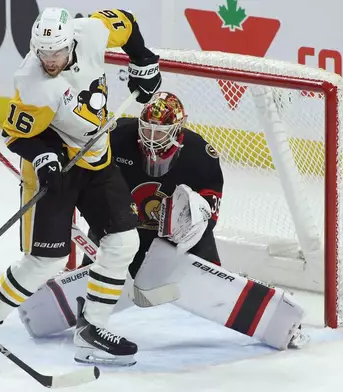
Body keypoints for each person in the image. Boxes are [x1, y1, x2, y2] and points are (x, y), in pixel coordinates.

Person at [17, 92, 308, 351]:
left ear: (178, 130)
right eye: (148, 130)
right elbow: (82, 169)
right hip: (118, 226)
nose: (152, 139)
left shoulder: (199, 154)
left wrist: (191, 223)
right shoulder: (116, 136)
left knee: (215, 284)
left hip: (174, 239)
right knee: (93, 282)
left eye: (161, 132)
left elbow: (210, 213)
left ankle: (274, 321)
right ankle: (88, 322)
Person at [0, 7, 162, 368]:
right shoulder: (32, 82)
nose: (50, 60)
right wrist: (45, 157)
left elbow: (127, 20)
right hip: (58, 168)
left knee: (123, 242)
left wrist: (143, 61)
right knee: (46, 260)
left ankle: (92, 328)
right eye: (44, 53)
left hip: (97, 160)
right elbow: (16, 135)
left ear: (71, 42)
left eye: (57, 52)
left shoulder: (92, 32)